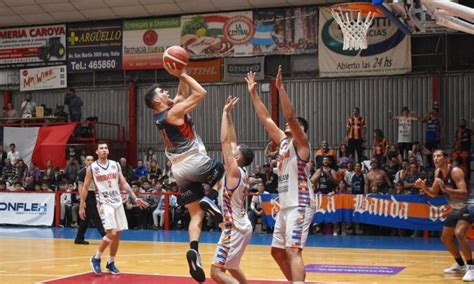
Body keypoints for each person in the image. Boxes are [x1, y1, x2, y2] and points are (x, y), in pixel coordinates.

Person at [144, 62, 224, 282]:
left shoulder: (162, 115)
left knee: (195, 214)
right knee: (221, 169)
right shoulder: (174, 112)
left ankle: (194, 249)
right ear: (157, 101)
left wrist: (180, 72)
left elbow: (180, 93)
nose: (167, 92)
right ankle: (211, 197)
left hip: (178, 170)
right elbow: (201, 92)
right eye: (162, 91)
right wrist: (184, 74)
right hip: (193, 161)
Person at [246, 66, 315, 283]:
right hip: (285, 204)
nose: (288, 124)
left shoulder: (302, 144)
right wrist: (253, 93)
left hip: (300, 203)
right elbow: (266, 118)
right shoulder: (284, 142)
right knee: (277, 252)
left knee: (293, 250)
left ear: (301, 130)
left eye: (294, 126)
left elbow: (290, 115)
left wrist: (281, 89)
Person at [79, 142, 148, 275]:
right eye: (101, 148)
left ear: (108, 151)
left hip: (117, 201)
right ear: (97, 152)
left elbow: (123, 183)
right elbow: (86, 187)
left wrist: (135, 197)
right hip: (104, 202)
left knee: (117, 235)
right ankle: (96, 258)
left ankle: (111, 262)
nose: (104, 150)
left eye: (106, 148)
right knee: (112, 232)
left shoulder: (115, 165)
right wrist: (82, 205)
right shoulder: (92, 168)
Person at [210, 96, 255, 284]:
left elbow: (225, 141)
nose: (232, 151)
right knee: (232, 267)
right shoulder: (241, 170)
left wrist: (222, 114)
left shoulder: (233, 171)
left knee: (216, 272)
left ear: (236, 158)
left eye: (234, 153)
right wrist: (228, 114)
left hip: (234, 228)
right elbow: (233, 140)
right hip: (242, 225)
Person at [415, 149, 473, 281]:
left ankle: (471, 268)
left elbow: (464, 191)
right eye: (434, 156)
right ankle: (460, 265)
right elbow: (434, 194)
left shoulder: (455, 171)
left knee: (459, 233)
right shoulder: (438, 173)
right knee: (445, 237)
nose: (435, 158)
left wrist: (446, 189)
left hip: (469, 204)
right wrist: (423, 187)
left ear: (446, 158)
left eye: (439, 156)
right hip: (456, 207)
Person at [74, 155, 106, 245]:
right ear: (85, 162)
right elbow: (80, 187)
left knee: (86, 218)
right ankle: (104, 236)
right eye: (88, 160)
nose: (90, 161)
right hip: (86, 194)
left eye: (92, 160)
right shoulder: (83, 172)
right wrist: (82, 200)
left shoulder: (95, 170)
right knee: (95, 216)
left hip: (92, 193)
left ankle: (79, 238)